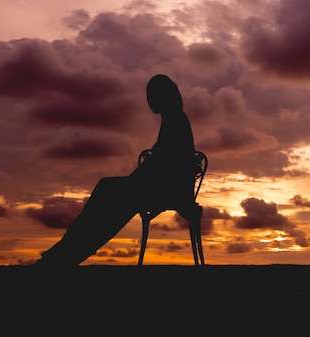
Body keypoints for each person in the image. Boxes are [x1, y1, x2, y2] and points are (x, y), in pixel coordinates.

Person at [34, 74, 195, 267]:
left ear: (164, 96)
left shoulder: (175, 121)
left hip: (167, 191)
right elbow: (158, 166)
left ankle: (68, 252)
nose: (149, 100)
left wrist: (135, 181)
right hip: (160, 188)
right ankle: (69, 250)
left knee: (107, 194)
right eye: (148, 95)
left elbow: (165, 166)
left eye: (152, 95)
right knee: (108, 197)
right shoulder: (172, 120)